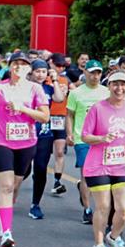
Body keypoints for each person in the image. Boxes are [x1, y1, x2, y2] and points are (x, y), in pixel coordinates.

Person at [0, 52, 50, 247]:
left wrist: (23, 109)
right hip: (1, 141)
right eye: (15, 63)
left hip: (26, 143)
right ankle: (7, 232)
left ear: (29, 69)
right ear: (10, 67)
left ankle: (3, 214)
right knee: (6, 186)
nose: (19, 66)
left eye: (24, 64)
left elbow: (44, 117)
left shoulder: (36, 89)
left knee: (15, 185)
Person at [80, 72, 125, 247]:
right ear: (109, 86)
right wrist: (101, 139)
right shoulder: (98, 108)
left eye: (123, 84)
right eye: (115, 84)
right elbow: (85, 136)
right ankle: (98, 245)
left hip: (122, 164)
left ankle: (113, 237)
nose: (119, 88)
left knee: (124, 210)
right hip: (98, 164)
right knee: (103, 206)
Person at [66, 59, 109, 224]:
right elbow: (69, 114)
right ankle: (88, 209)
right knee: (86, 174)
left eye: (98, 73)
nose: (95, 76)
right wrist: (69, 134)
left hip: (103, 139)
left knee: (101, 174)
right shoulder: (76, 93)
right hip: (82, 138)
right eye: (92, 72)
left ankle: (100, 206)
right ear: (85, 73)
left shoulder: (106, 92)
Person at [27, 60, 65, 219]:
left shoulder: (49, 88)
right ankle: (10, 192)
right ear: (32, 72)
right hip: (25, 133)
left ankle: (35, 204)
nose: (40, 74)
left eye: (44, 71)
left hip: (44, 134)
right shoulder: (25, 88)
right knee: (23, 169)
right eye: (38, 71)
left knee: (41, 169)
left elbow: (59, 98)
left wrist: (55, 79)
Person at [47, 53, 71, 197]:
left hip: (61, 118)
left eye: (63, 66)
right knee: (40, 152)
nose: (60, 68)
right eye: (58, 65)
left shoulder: (65, 79)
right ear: (51, 63)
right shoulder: (43, 78)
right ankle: (35, 173)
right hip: (46, 117)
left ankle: (57, 181)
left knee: (60, 151)